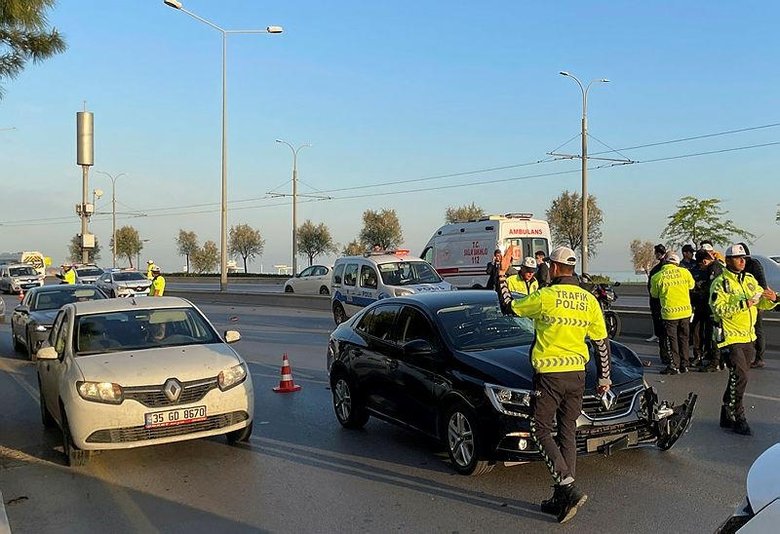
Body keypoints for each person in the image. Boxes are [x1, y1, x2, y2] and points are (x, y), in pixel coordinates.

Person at [496, 245, 611, 523]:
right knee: (567, 431)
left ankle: (567, 486)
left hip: (550, 375)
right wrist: (605, 378)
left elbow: (509, 307)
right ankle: (561, 498)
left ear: (556, 268)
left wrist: (501, 275)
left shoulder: (546, 296)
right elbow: (601, 343)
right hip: (578, 376)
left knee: (539, 428)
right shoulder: (588, 300)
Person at [710, 244, 777, 435]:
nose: (742, 261)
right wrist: (743, 304)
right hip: (730, 337)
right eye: (739, 258)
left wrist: (772, 298)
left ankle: (726, 412)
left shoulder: (749, 280)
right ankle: (739, 417)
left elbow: (761, 302)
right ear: (729, 260)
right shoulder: (721, 282)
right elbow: (717, 309)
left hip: (748, 336)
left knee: (736, 377)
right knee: (741, 376)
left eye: (744, 258)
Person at [650, 253, 695, 374]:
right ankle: (685, 364)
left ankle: (674, 365)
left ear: (665, 262)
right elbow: (692, 286)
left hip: (670, 314)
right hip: (685, 312)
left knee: (672, 340)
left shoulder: (657, 277)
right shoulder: (685, 272)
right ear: (677, 263)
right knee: (684, 339)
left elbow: (654, 294)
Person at [738, 243, 768, 369]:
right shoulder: (743, 266)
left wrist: (756, 301)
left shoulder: (753, 265)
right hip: (745, 304)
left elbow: (762, 285)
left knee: (758, 330)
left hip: (755, 302)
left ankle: (759, 358)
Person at [689, 250, 714, 368]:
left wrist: (700, 289)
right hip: (700, 306)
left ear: (704, 261)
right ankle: (699, 355)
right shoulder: (699, 270)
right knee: (697, 331)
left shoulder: (714, 270)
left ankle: (709, 356)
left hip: (709, 307)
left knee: (709, 333)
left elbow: (711, 289)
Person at [646, 244, 667, 350]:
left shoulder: (660, 268)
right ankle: (658, 334)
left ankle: (659, 335)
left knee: (659, 318)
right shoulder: (658, 267)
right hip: (656, 297)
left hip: (658, 298)